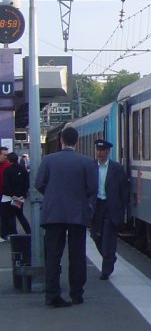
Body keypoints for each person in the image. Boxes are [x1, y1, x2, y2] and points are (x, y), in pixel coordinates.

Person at [35, 126, 98, 308]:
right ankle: (77, 293)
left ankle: (52, 294)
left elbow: (39, 183)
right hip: (77, 213)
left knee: (53, 255)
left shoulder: (48, 160)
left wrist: (52, 195)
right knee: (77, 254)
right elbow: (92, 188)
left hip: (53, 213)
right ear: (77, 142)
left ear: (61, 140)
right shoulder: (86, 162)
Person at [90, 139, 128, 280]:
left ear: (108, 151)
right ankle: (110, 257)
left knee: (108, 238)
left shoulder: (117, 169)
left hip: (110, 207)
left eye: (102, 150)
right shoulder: (91, 167)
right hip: (96, 206)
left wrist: (121, 210)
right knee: (96, 236)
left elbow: (124, 191)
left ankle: (106, 270)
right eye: (98, 150)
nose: (99, 153)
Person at [1, 152, 31, 238]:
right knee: (20, 215)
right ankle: (29, 231)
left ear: (9, 160)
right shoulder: (23, 169)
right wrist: (23, 195)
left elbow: (6, 184)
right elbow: (26, 183)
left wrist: (12, 195)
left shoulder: (7, 170)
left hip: (11, 197)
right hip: (20, 197)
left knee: (11, 216)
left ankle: (14, 235)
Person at [0, 146, 11, 241]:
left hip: (5, 194)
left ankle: (4, 234)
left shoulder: (8, 165)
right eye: (4, 155)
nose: (6, 157)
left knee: (5, 215)